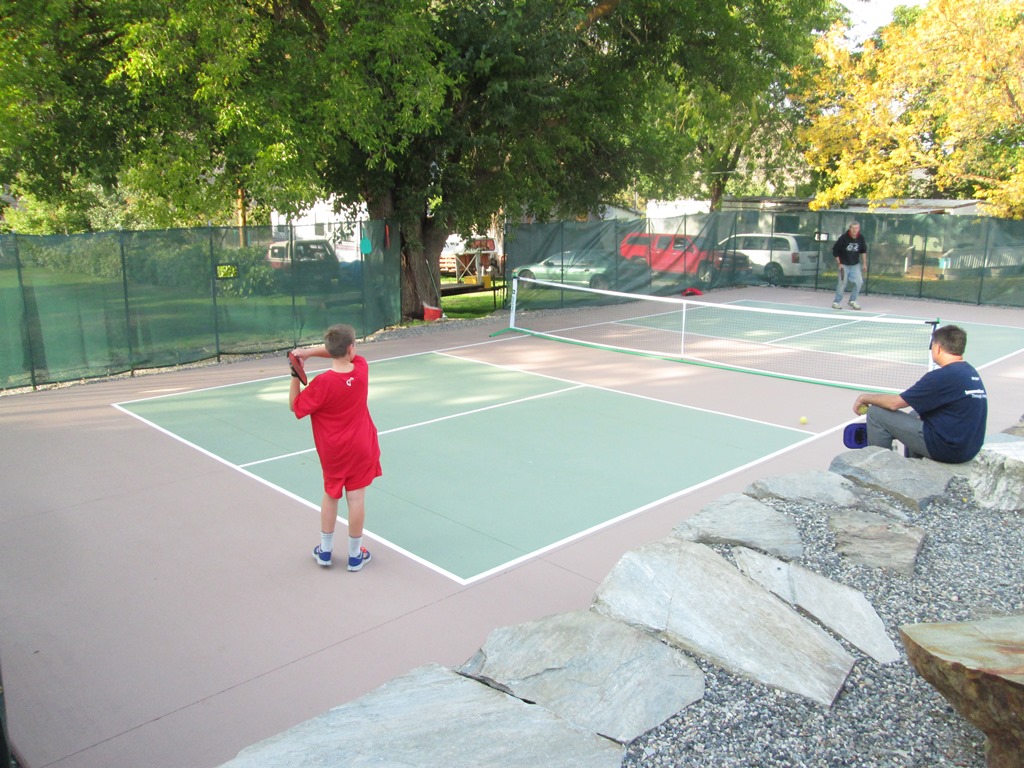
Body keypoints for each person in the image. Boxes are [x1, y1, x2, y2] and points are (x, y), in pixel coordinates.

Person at [289, 324, 382, 571]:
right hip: (362, 446)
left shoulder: (321, 384)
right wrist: (310, 353)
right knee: (357, 497)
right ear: (351, 348)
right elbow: (338, 350)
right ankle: (354, 556)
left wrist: (295, 375)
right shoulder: (362, 370)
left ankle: (325, 551)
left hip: (333, 451)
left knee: (331, 494)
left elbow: (295, 406)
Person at [853, 324, 987, 463]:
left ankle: (880, 467)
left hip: (948, 450)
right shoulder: (970, 371)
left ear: (938, 348)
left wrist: (864, 397)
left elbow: (894, 404)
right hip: (968, 449)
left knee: (876, 413)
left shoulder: (942, 376)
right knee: (916, 414)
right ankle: (914, 464)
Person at [832, 221, 868, 310]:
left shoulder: (861, 238)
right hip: (843, 265)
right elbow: (835, 251)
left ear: (858, 229)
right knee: (842, 283)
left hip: (855, 265)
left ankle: (852, 300)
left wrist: (864, 263)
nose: (854, 230)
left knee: (859, 282)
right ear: (849, 228)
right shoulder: (843, 238)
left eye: (856, 228)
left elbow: (863, 251)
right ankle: (836, 302)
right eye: (853, 228)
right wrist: (839, 263)